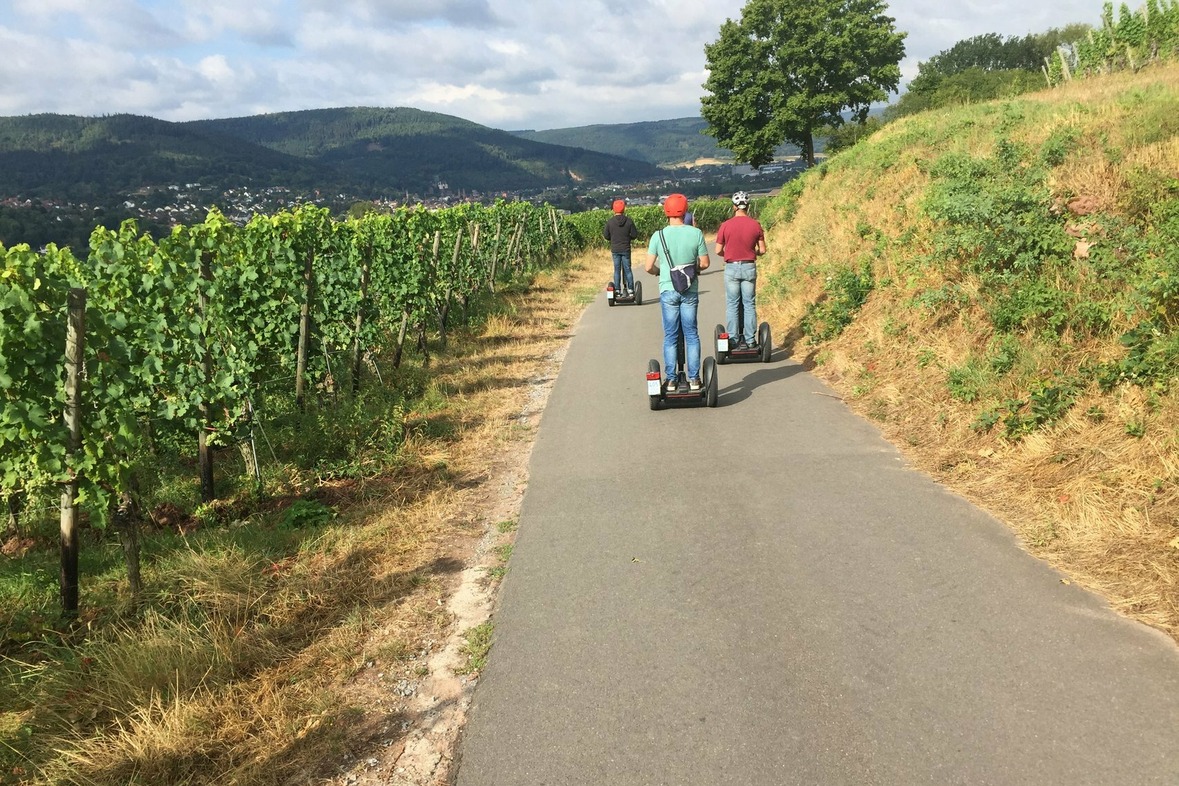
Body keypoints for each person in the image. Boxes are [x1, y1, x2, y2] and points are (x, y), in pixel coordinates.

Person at [646, 193, 710, 392]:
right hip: (690, 289)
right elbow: (705, 263)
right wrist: (693, 270)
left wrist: (660, 272)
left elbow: (648, 267)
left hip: (668, 289)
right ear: (685, 211)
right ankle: (694, 379)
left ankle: (671, 380)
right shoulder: (696, 233)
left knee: (671, 336)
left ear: (666, 211)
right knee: (691, 334)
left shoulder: (658, 236)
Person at [714, 190, 767, 350]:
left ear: (734, 207)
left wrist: (728, 254)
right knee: (749, 303)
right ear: (747, 206)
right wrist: (753, 252)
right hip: (749, 266)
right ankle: (750, 340)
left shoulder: (726, 225)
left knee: (732, 303)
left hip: (731, 266)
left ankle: (733, 339)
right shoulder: (755, 225)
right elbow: (763, 250)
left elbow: (717, 250)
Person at [602, 199, 638, 294]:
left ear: (613, 209)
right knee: (628, 269)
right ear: (624, 209)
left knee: (617, 270)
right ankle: (631, 289)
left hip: (615, 249)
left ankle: (617, 290)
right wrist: (628, 238)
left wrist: (613, 239)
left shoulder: (610, 222)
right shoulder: (629, 221)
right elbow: (634, 235)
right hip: (625, 248)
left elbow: (606, 235)